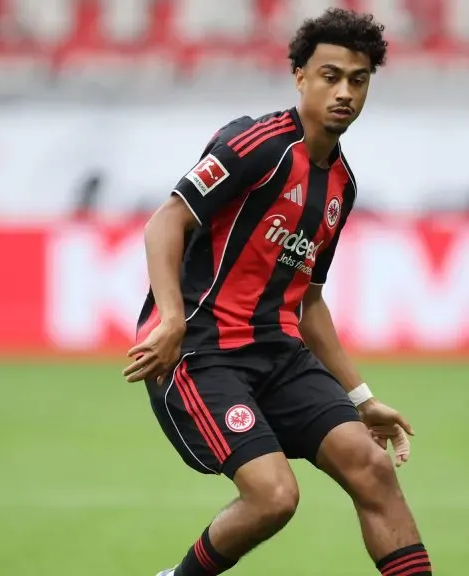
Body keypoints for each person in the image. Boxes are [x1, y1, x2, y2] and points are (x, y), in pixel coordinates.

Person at [124, 8, 432, 576]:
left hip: (279, 351)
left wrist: (362, 398)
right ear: (299, 76)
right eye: (330, 75)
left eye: (358, 80)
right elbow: (166, 221)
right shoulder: (258, 144)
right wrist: (169, 318)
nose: (344, 92)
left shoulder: (342, 184)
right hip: (202, 349)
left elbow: (308, 300)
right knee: (274, 496)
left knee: (373, 467)